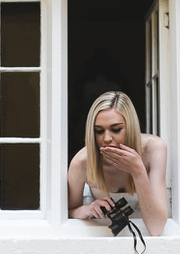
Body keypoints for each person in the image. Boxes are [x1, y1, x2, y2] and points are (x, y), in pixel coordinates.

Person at [68, 91, 169, 236]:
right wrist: (86, 209)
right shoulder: (82, 162)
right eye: (98, 131)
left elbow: (156, 227)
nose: (107, 138)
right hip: (101, 235)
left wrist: (138, 171)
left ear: (131, 127)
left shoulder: (154, 149)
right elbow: (68, 213)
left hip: (143, 237)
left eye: (116, 129)